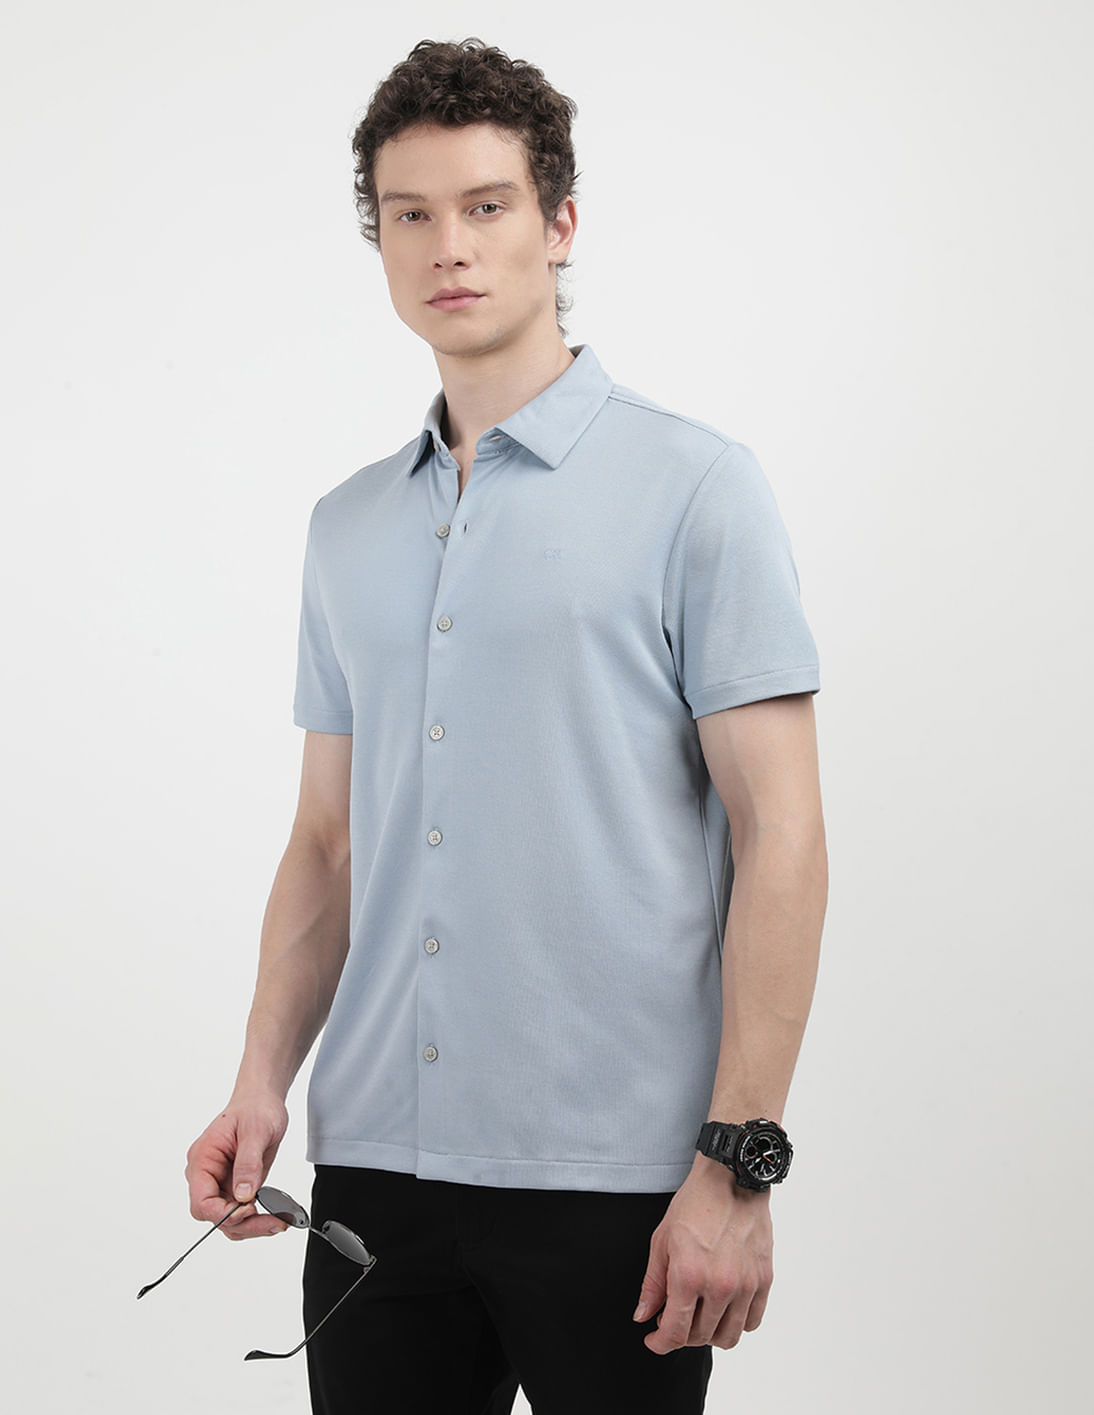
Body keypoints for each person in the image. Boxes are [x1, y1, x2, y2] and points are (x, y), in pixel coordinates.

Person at [184, 36, 827, 1415]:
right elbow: (327, 841)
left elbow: (781, 833)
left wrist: (738, 1162)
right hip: (373, 1176)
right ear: (379, 240)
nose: (449, 247)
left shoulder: (696, 488)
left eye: (486, 205)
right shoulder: (346, 525)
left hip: (620, 1180)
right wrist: (259, 1082)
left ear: (559, 223)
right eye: (410, 214)